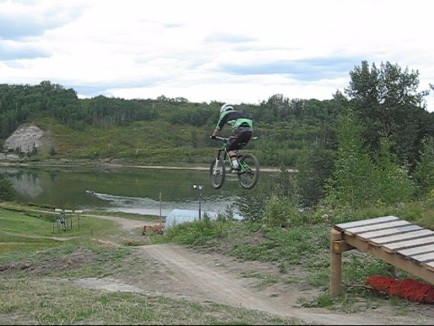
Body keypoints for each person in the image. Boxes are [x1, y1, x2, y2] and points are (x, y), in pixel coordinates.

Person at [211, 103, 253, 172]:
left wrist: (213, 136)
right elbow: (247, 125)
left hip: (239, 130)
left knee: (229, 148)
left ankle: (235, 165)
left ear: (223, 110)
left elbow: (218, 128)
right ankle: (239, 162)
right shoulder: (239, 113)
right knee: (235, 147)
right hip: (250, 131)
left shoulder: (224, 114)